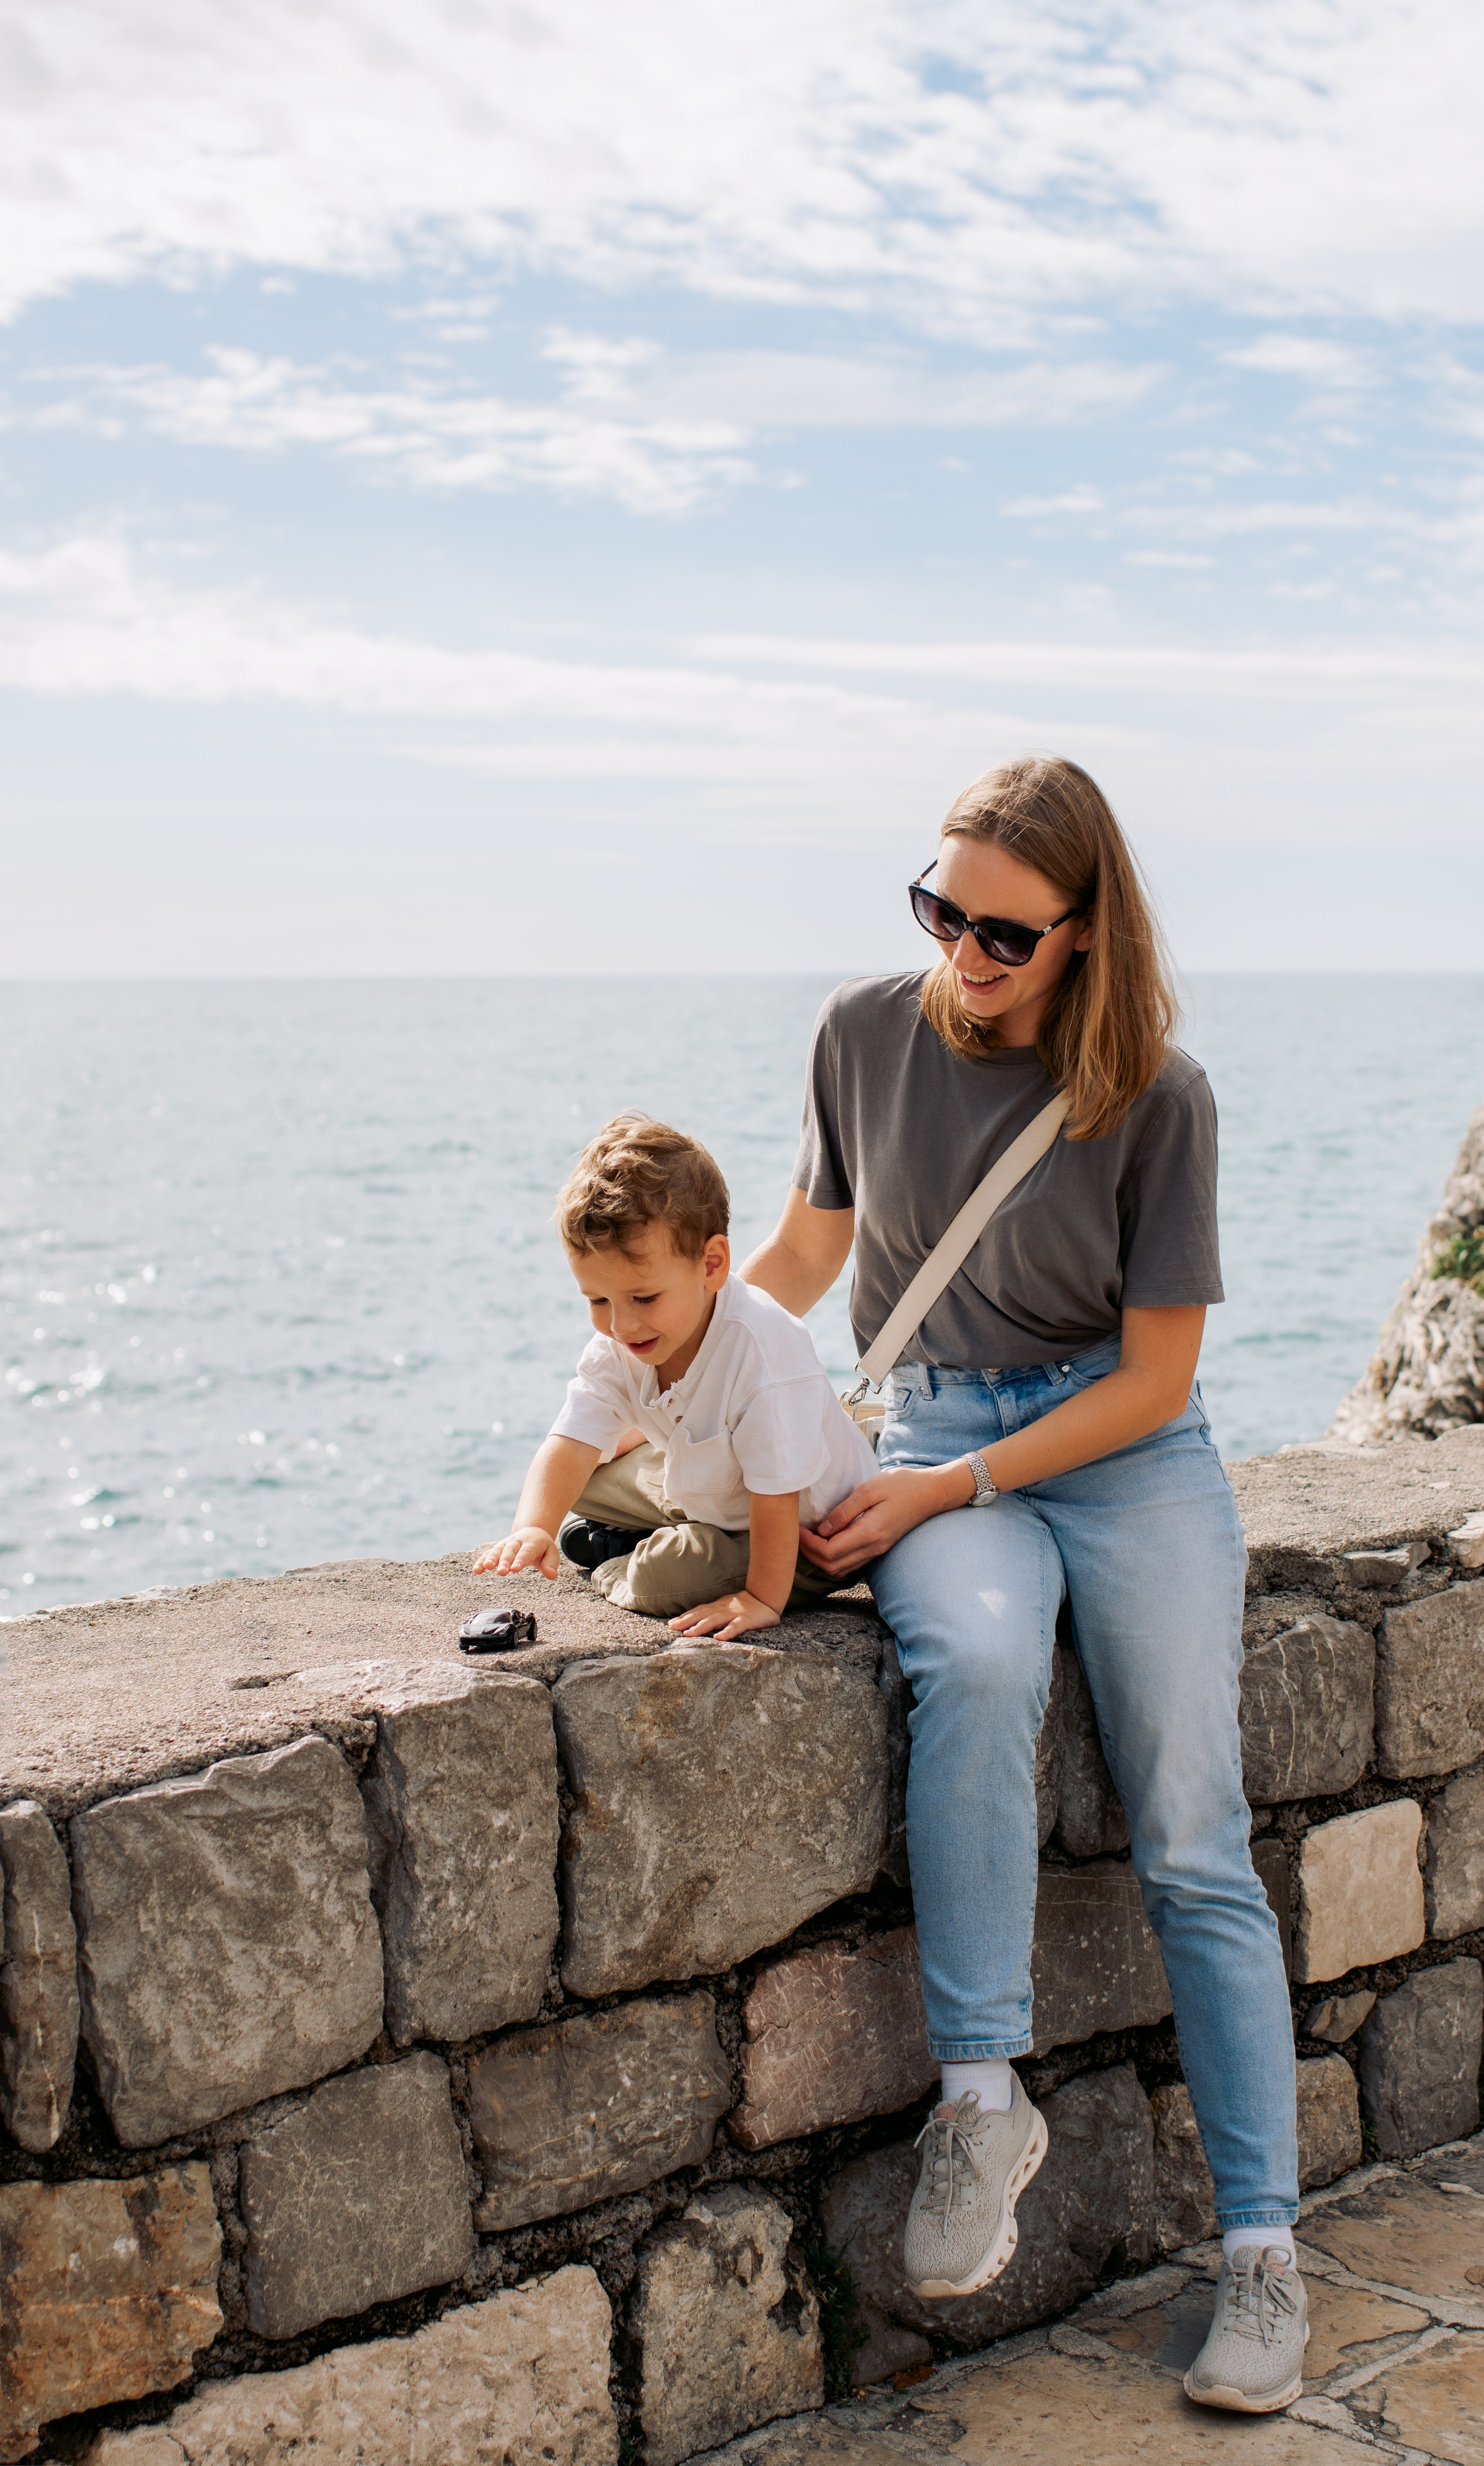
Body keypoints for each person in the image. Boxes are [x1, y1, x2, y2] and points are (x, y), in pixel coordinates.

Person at [740, 756, 1306, 2415]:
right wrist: (638, 1382)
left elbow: (1149, 1382)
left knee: (1196, 1835)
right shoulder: (861, 1032)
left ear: (1081, 934)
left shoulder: (1161, 1093)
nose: (965, 954)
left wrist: (959, 1482)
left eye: (1005, 933)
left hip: (1117, 1461)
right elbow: (798, 1267)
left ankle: (1264, 2260)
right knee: (976, 1669)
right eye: (942, 912)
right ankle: (982, 2097)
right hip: (932, 1426)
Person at [474, 1112, 876, 1638]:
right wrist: (534, 1527)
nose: (620, 1324)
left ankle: (617, 1560)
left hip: (798, 1534)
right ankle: (623, 1530)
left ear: (711, 1266)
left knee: (667, 1579)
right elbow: (570, 1442)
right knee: (583, 1478)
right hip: (706, 1485)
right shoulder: (624, 1337)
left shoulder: (762, 1353)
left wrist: (759, 1599)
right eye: (598, 1299)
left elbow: (776, 1498)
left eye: (643, 1298)